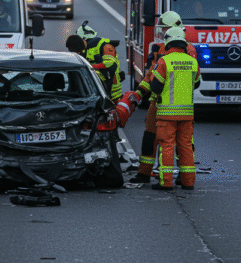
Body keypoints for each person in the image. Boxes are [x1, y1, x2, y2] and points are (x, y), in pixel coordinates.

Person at [130, 11, 198, 185]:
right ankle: (145, 173)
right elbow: (150, 75)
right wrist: (139, 93)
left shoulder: (188, 51)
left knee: (178, 144)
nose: (162, 33)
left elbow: (168, 79)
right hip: (160, 102)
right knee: (150, 137)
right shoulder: (161, 48)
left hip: (171, 103)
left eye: (165, 29)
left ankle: (178, 176)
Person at [148, 26, 200, 190]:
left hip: (167, 114)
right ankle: (188, 182)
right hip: (187, 114)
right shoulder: (192, 61)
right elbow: (197, 83)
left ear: (168, 43)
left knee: (167, 146)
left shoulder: (164, 61)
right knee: (185, 147)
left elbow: (155, 87)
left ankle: (166, 182)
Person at [71, 21, 123, 101]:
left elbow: (111, 65)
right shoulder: (83, 50)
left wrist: (91, 67)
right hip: (93, 91)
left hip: (112, 92)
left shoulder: (105, 46)